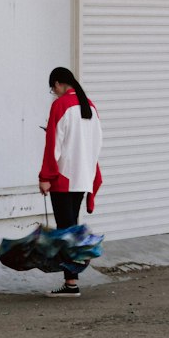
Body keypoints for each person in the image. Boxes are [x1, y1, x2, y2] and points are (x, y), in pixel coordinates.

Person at [39, 66, 102, 298]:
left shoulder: (61, 105)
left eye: (52, 89)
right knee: (70, 226)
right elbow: (95, 145)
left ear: (57, 84)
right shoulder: (90, 107)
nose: (53, 93)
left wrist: (45, 177)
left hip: (64, 178)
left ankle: (72, 281)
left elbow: (53, 145)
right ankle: (72, 279)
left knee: (66, 230)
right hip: (82, 177)